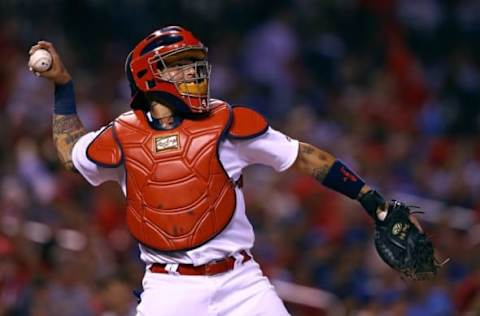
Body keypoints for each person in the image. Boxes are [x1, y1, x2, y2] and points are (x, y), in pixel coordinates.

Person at [29, 26, 429, 316]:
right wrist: (63, 87)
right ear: (149, 75)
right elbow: (69, 153)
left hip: (241, 282)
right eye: (181, 66)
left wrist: (371, 200)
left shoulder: (226, 124)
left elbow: (305, 157)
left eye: (195, 64)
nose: (194, 74)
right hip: (170, 287)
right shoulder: (121, 136)